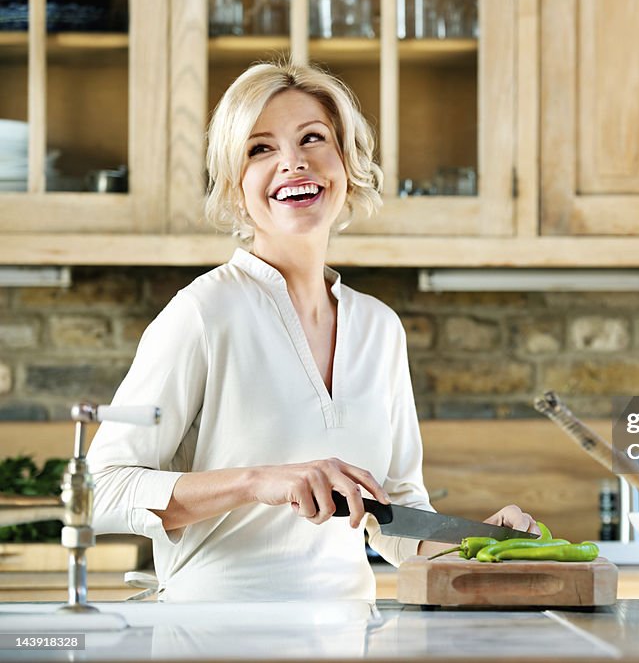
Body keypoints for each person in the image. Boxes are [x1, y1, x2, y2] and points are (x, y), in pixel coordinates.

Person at [87, 62, 540, 602]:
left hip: (351, 635)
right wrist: (259, 481)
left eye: (313, 139)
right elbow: (101, 491)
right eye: (260, 149)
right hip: (211, 637)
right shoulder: (202, 313)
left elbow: (395, 514)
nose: (293, 162)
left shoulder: (379, 328)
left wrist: (479, 541)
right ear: (235, 188)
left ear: (346, 163)